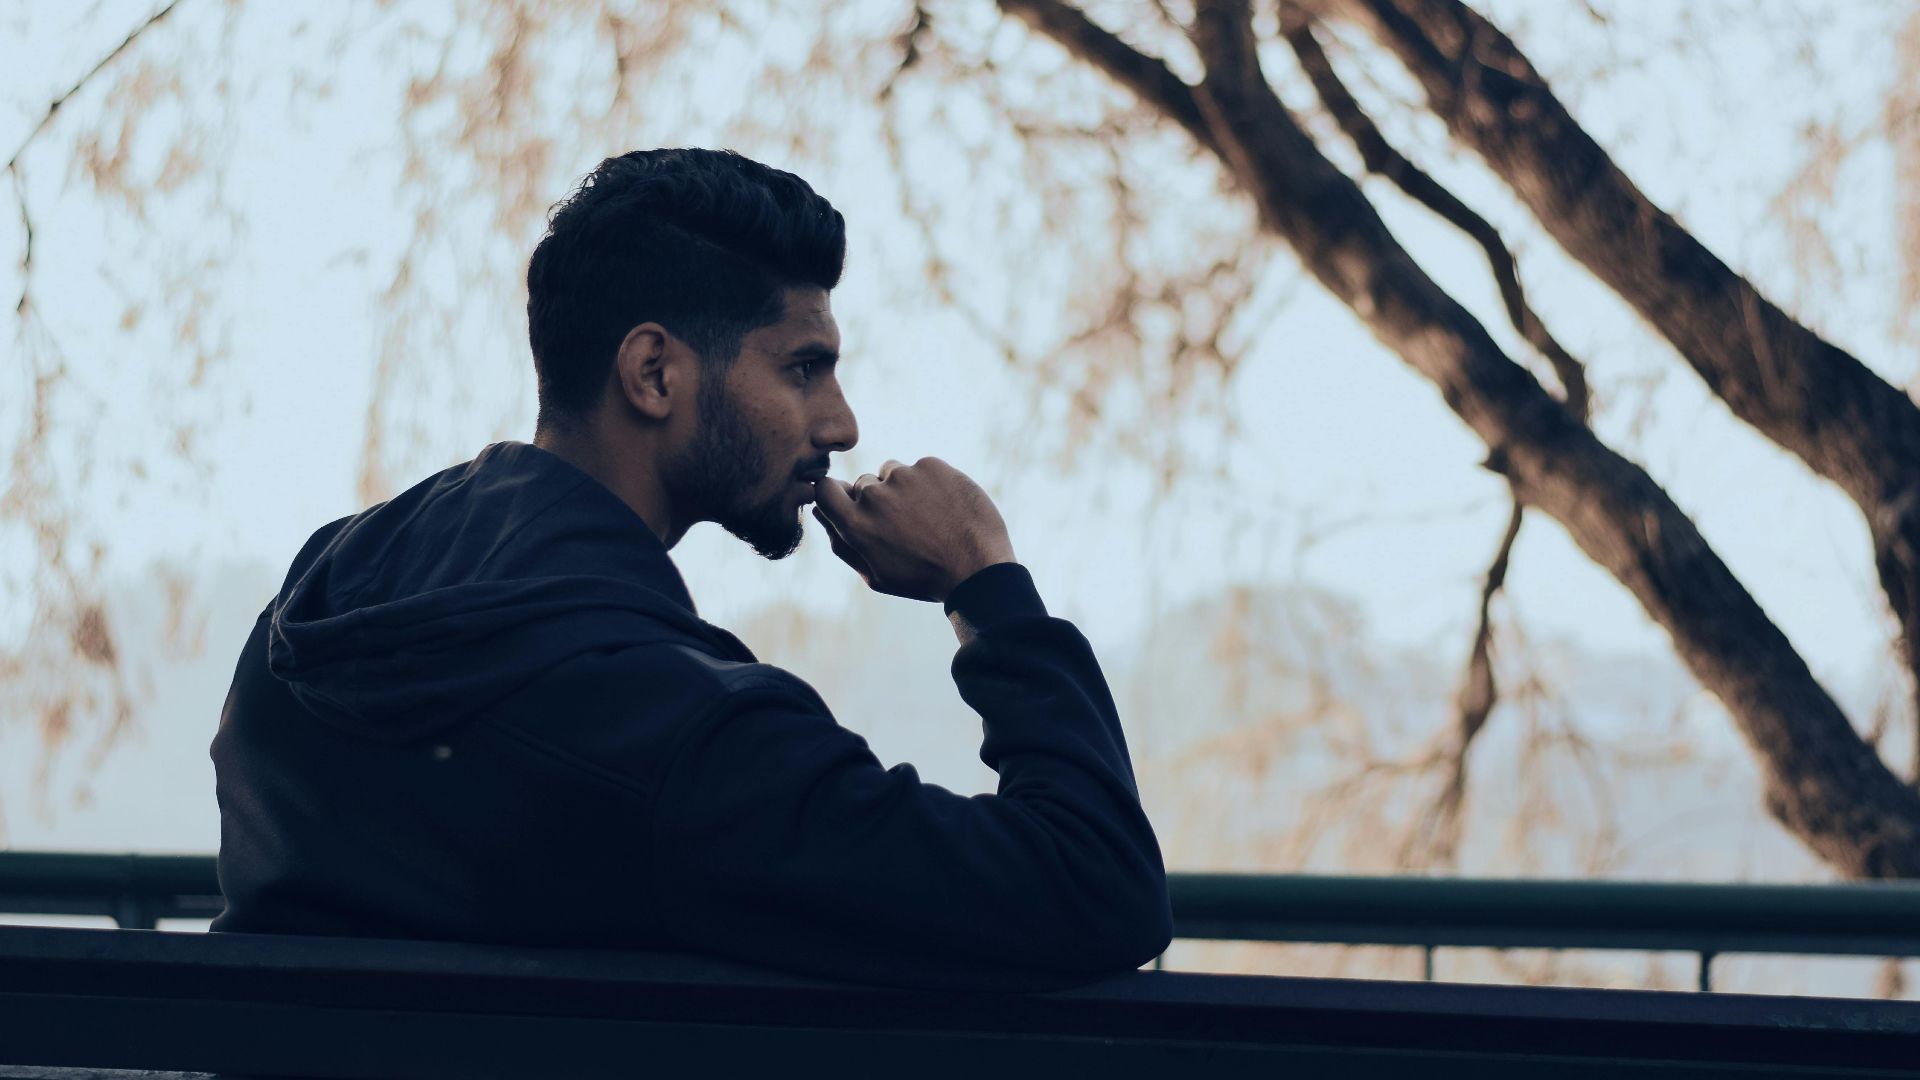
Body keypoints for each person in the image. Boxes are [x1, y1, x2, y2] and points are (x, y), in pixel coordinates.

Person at [209, 147, 1172, 991]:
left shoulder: (315, 605)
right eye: (803, 367)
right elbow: (1094, 886)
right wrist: (986, 583)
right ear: (655, 375)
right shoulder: (685, 740)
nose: (840, 425)